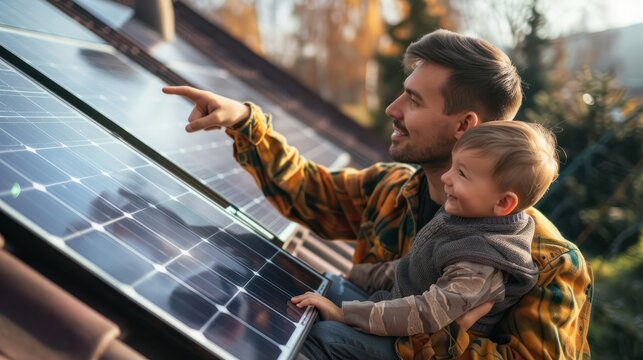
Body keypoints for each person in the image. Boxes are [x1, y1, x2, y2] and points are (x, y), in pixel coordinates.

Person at [163, 29, 592, 359]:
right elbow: (308, 191)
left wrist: (427, 336)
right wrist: (243, 121)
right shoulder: (390, 190)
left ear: (464, 126)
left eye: (414, 100)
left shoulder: (549, 263)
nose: (392, 109)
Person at [290, 121, 557, 359]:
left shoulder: (483, 262)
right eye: (452, 166)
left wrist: (344, 315)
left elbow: (426, 313)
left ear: (503, 203)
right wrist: (361, 276)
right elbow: (415, 266)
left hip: (411, 346)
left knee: (324, 336)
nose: (446, 178)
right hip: (396, 319)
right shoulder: (471, 216)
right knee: (331, 286)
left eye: (461, 174)